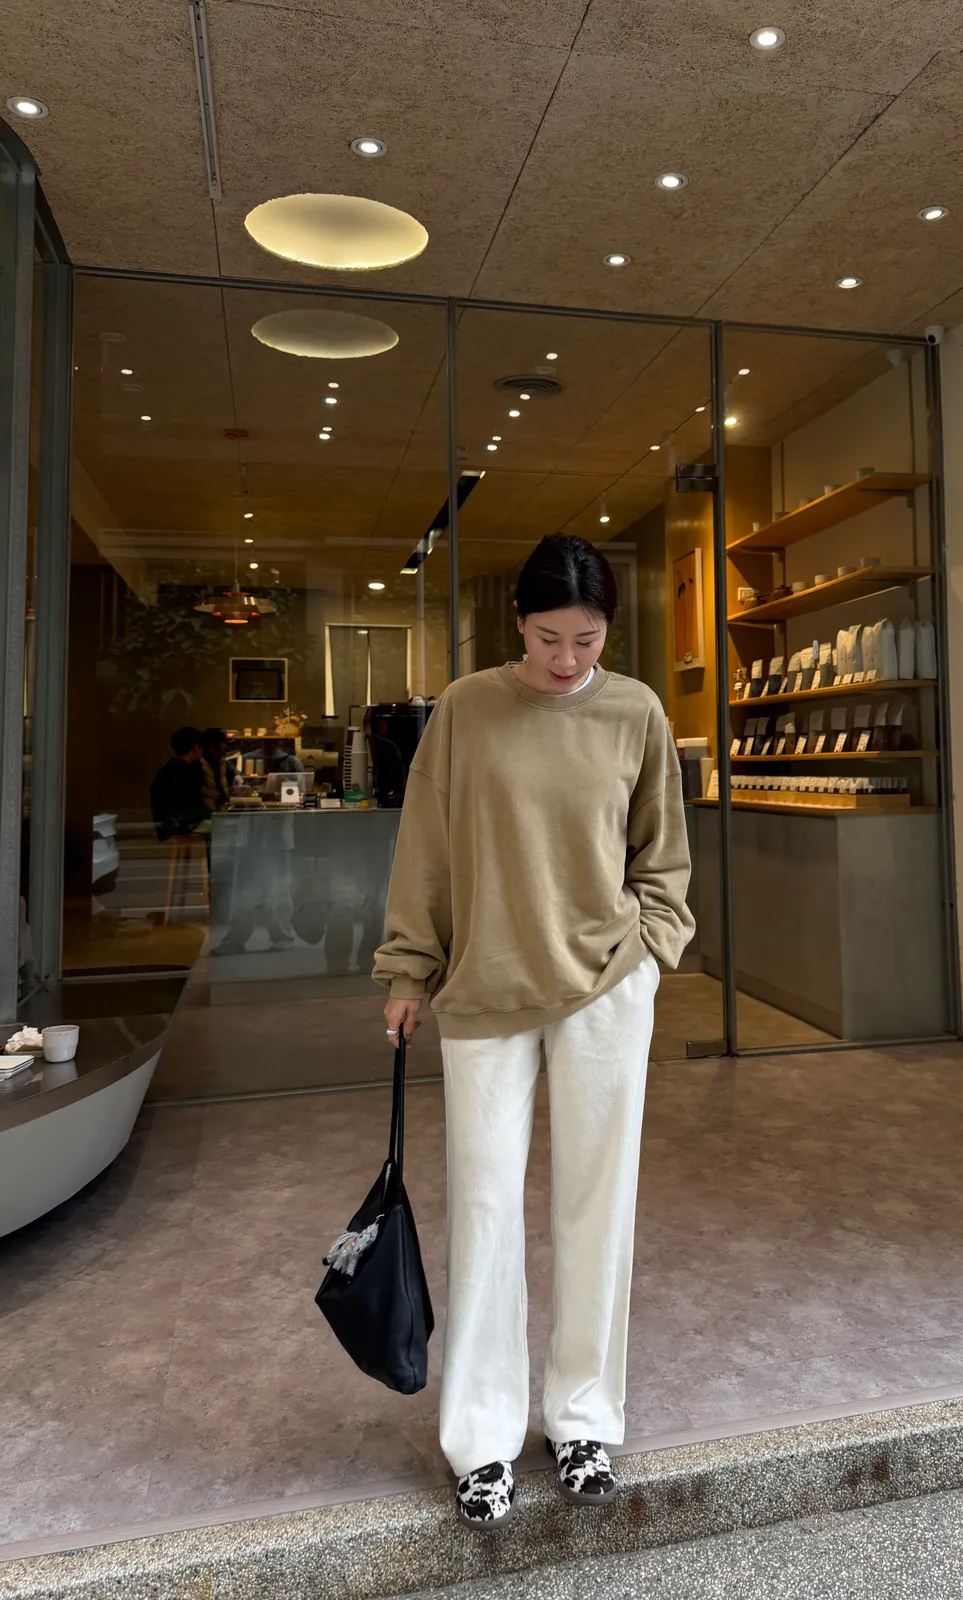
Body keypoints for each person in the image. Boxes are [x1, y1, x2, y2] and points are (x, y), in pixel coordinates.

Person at [374, 533, 694, 1529]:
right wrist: (407, 967)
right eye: (549, 637)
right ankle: (482, 1440)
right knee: (484, 1207)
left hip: (605, 986)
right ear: (518, 623)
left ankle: (584, 1420)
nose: (566, 659)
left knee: (599, 1202)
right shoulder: (467, 710)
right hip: (486, 987)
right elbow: (425, 849)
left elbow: (662, 855)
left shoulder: (636, 711)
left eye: (586, 640)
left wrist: (652, 948)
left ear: (608, 632)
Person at [149, 726, 210, 841]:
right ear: (196, 747)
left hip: (167, 829)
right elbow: (194, 808)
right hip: (182, 830)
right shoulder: (188, 773)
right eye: (201, 747)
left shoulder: (165, 771)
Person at [199, 728, 232, 813]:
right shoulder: (198, 766)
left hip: (221, 810)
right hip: (204, 812)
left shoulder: (222, 764)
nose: (224, 749)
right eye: (222, 746)